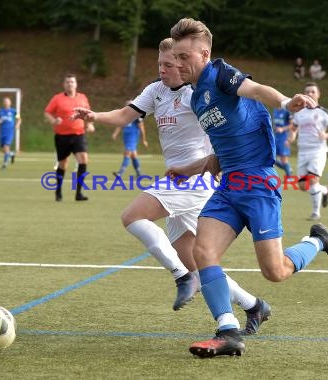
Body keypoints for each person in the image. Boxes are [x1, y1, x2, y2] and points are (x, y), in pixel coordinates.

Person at [169, 18, 328, 358]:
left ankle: (319, 240)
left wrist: (285, 102)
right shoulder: (197, 98)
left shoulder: (222, 74)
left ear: (204, 54)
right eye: (175, 56)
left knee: (276, 271)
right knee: (203, 251)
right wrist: (188, 169)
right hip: (229, 186)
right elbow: (220, 155)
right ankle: (228, 331)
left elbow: (256, 91)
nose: (178, 62)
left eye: (184, 56)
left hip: (257, 182)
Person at [71, 38, 272, 335]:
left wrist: (218, 160)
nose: (165, 69)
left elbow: (226, 124)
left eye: (170, 64)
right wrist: (95, 115)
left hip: (194, 180)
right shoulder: (156, 90)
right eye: (161, 64)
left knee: (132, 216)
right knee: (200, 267)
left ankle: (180, 278)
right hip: (177, 179)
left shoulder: (198, 94)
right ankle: (254, 305)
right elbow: (126, 115)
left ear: (182, 64)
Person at [289, 82, 328, 221]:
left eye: (313, 91)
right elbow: (293, 128)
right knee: (302, 186)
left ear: (318, 94)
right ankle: (325, 190)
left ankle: (315, 213)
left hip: (318, 151)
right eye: (307, 92)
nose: (310, 94)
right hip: (303, 152)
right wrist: (291, 137)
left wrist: (326, 135)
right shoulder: (299, 113)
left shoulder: (324, 113)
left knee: (312, 181)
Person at [44, 73, 95, 202]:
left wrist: (90, 124)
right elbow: (47, 112)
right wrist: (54, 121)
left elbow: (88, 114)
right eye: (67, 82)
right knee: (63, 164)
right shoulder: (57, 98)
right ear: (64, 84)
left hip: (79, 134)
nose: (70, 84)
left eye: (72, 82)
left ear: (76, 84)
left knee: (83, 159)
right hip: (62, 136)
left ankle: (79, 193)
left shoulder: (83, 98)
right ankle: (58, 191)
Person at [111, 101, 148, 177]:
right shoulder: (125, 116)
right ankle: (139, 173)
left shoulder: (137, 116)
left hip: (132, 137)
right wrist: (115, 133)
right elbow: (120, 125)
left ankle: (120, 173)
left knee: (127, 153)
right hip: (126, 138)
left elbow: (142, 128)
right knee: (133, 155)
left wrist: (143, 140)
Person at [0, 96, 21, 169]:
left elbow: (19, 119)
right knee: (3, 150)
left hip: (10, 131)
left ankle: (5, 163)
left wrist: (17, 125)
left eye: (7, 101)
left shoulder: (14, 111)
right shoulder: (0, 111)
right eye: (5, 102)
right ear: (3, 103)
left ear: (10, 103)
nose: (6, 103)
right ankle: (11, 154)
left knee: (6, 147)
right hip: (2, 131)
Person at [272, 107, 293, 176]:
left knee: (283, 159)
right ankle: (288, 169)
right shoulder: (275, 110)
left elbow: (292, 125)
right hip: (276, 137)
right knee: (272, 158)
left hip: (284, 137)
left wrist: (282, 129)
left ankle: (289, 177)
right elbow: (276, 124)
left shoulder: (287, 111)